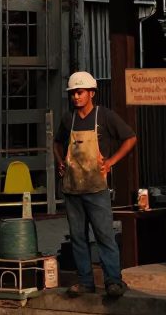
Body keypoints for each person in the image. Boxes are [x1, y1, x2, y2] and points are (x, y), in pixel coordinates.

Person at [54, 71, 137, 299]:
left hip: (97, 190)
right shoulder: (67, 119)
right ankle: (85, 282)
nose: (76, 97)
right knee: (78, 237)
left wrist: (110, 162)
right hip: (72, 190)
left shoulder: (105, 117)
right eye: (72, 93)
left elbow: (130, 138)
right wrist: (61, 162)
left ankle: (113, 281)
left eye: (79, 92)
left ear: (91, 93)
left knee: (104, 236)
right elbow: (57, 142)